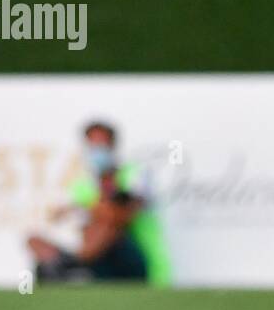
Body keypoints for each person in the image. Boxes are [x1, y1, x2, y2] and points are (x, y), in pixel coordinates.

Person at [27, 121, 172, 286]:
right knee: (34, 240)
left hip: (136, 257)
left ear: (112, 146)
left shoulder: (136, 175)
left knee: (108, 223)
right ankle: (71, 264)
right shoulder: (83, 184)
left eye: (101, 143)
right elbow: (67, 220)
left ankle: (75, 264)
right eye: (92, 144)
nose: (97, 149)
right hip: (98, 258)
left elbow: (122, 216)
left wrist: (90, 208)